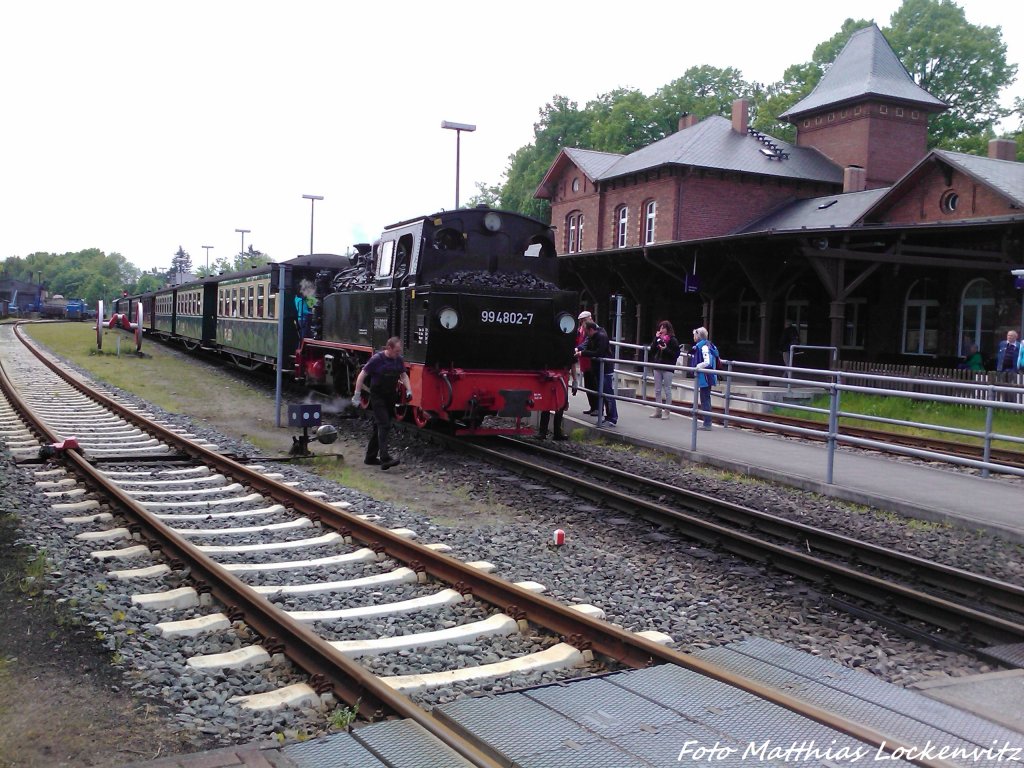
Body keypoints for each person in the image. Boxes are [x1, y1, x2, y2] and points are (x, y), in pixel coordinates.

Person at [353, 337, 412, 469]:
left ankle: (370, 457)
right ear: (389, 348)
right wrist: (357, 395)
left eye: (399, 351)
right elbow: (362, 375)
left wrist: (409, 389)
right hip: (377, 397)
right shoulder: (377, 359)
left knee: (379, 426)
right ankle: (385, 458)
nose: (398, 354)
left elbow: (403, 375)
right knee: (384, 425)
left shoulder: (398, 360)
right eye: (396, 351)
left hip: (390, 397)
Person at [576, 320, 617, 426]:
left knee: (608, 394)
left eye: (586, 331)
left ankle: (612, 418)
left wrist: (582, 353)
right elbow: (585, 346)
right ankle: (608, 417)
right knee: (603, 393)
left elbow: (599, 352)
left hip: (605, 369)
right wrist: (577, 349)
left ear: (591, 330)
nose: (585, 334)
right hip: (598, 369)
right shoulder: (592, 337)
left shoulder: (601, 337)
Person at [648, 320, 680, 419]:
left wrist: (666, 349)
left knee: (667, 389)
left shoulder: (673, 340)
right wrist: (656, 339)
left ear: (668, 329)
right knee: (657, 390)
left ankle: (667, 411)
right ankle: (658, 410)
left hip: (668, 367)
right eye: (660, 328)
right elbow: (652, 350)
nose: (661, 330)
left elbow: (676, 354)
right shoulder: (658, 339)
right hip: (658, 365)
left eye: (663, 328)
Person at [692, 326, 718, 430]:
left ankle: (707, 423)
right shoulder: (709, 345)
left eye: (694, 335)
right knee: (705, 398)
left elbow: (707, 362)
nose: (693, 337)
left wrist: (698, 367)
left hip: (706, 376)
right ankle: (707, 422)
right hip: (708, 376)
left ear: (698, 336)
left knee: (705, 399)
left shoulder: (703, 347)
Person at [575, 310, 599, 415]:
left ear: (590, 318)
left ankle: (598, 408)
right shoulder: (580, 329)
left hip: (590, 361)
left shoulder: (593, 329)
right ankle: (592, 406)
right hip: (583, 361)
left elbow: (587, 342)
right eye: (581, 321)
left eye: (584, 320)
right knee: (588, 385)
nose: (582, 323)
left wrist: (578, 349)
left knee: (594, 385)